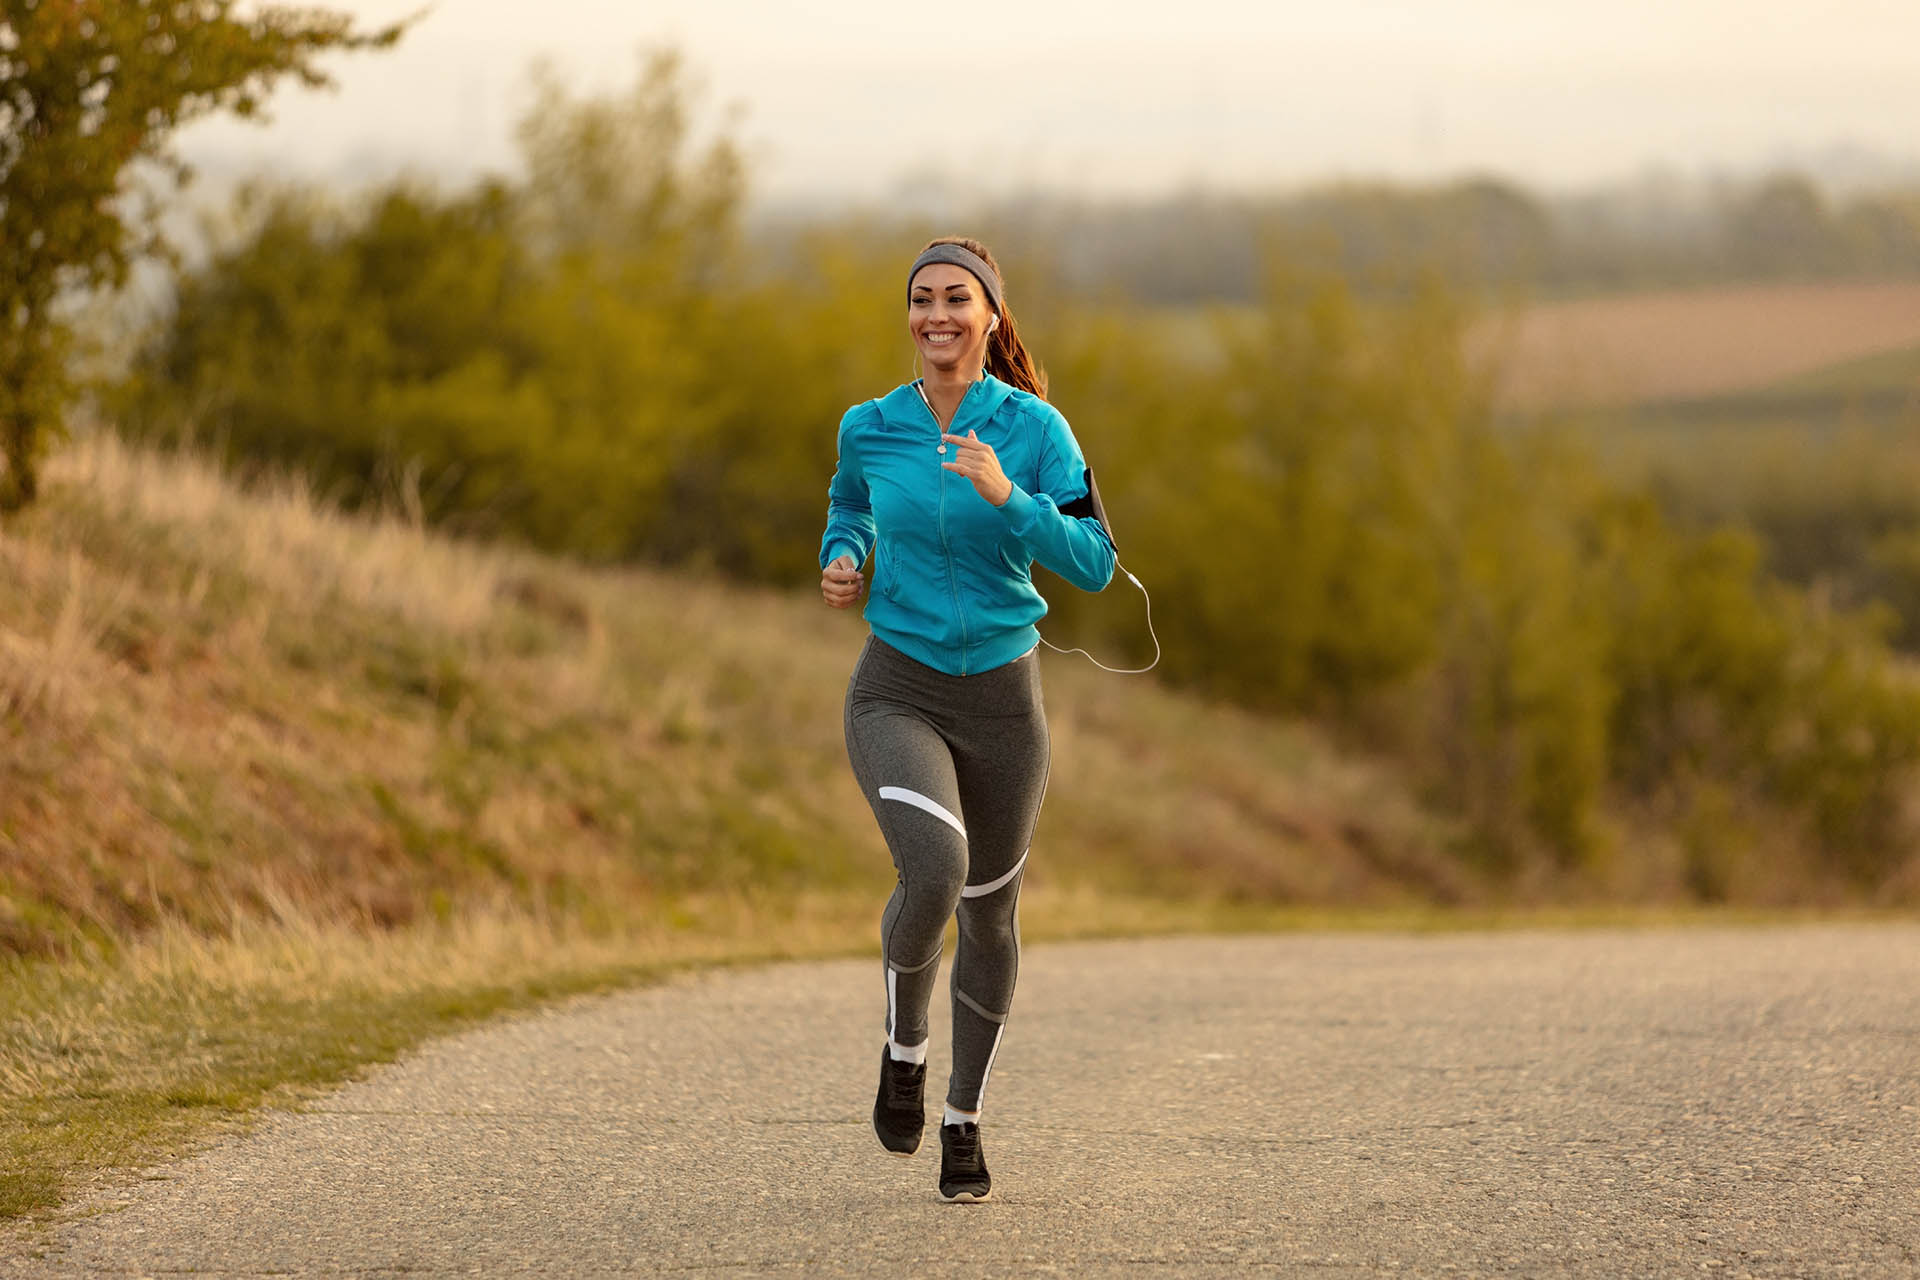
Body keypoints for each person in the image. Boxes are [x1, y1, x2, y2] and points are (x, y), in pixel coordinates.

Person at [818, 236, 1116, 1203]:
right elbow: (850, 505)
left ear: (991, 316)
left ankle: (963, 1120)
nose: (936, 315)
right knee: (935, 870)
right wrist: (845, 554)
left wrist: (1010, 497)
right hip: (896, 685)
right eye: (921, 300)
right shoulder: (870, 426)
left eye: (956, 298)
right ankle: (904, 1045)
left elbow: (1095, 560)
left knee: (990, 912)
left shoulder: (1037, 431)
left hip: (1003, 701)